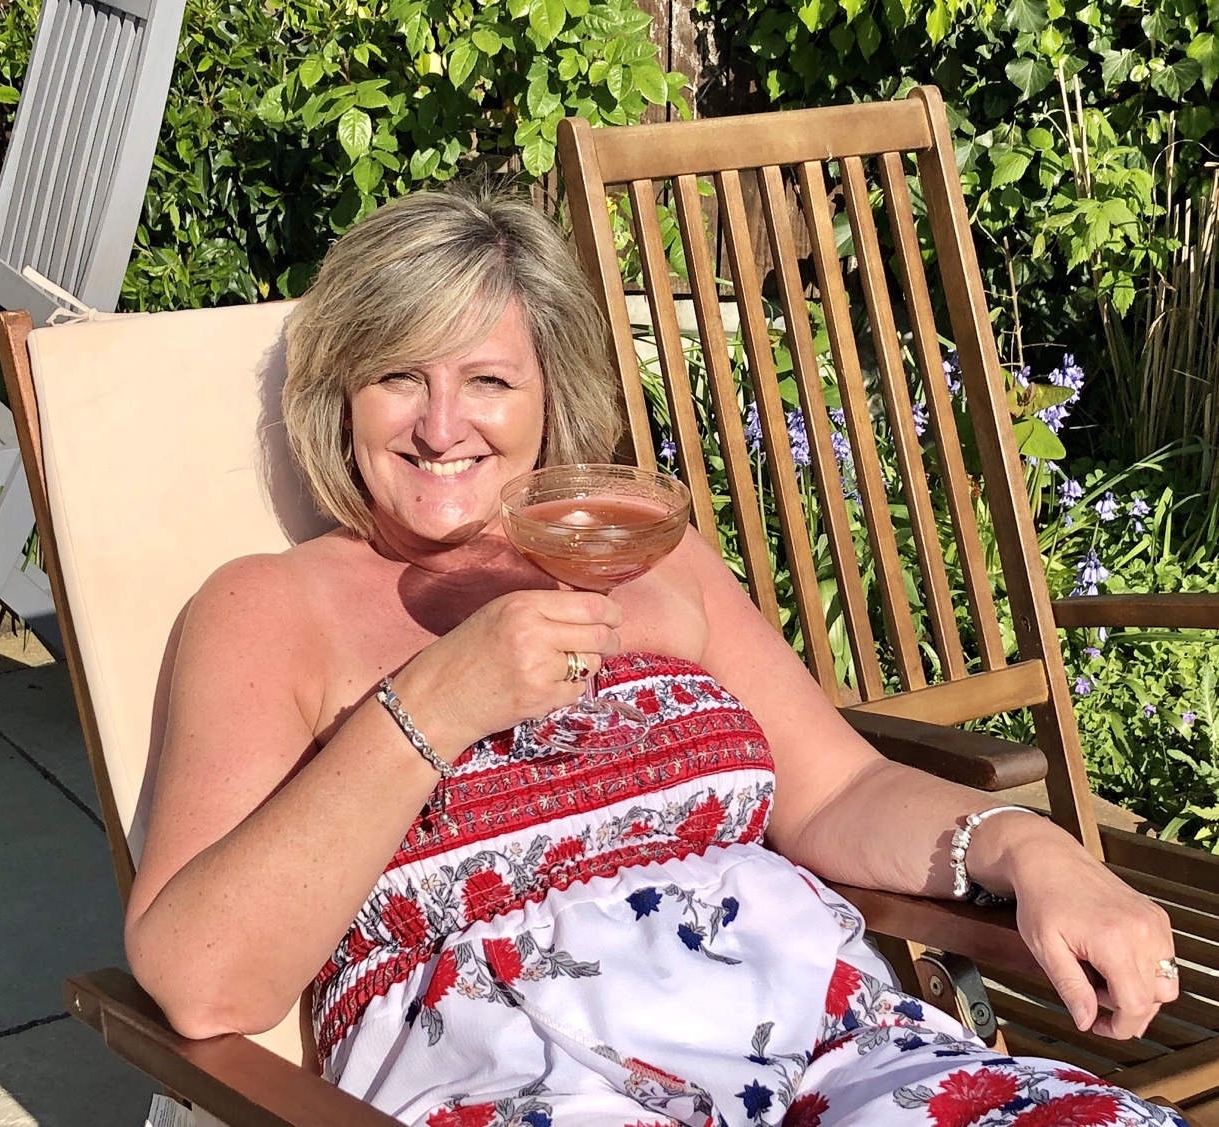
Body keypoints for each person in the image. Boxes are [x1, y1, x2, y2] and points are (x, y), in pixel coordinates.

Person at [123, 187, 1184, 1127]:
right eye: (399, 376)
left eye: (488, 379)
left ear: (550, 394)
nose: (443, 427)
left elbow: (838, 790)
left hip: (833, 1048)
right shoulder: (270, 607)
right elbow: (204, 980)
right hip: (528, 1081)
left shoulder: (647, 550)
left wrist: (1028, 848)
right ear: (342, 396)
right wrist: (435, 703)